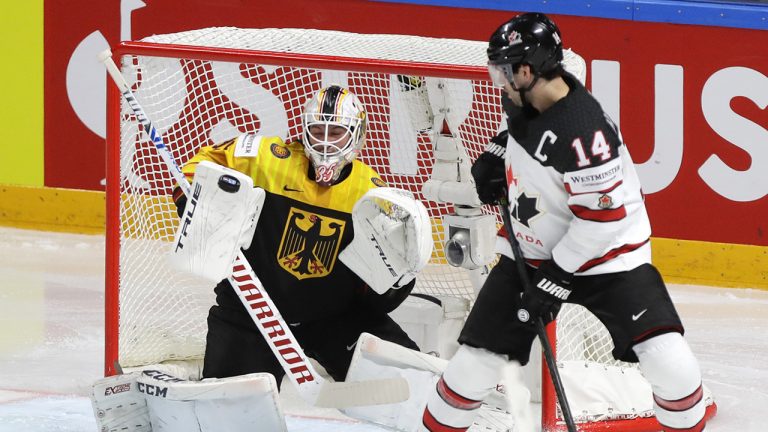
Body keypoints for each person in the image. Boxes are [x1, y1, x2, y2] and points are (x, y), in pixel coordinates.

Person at [420, 13, 709, 432]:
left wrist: (556, 277)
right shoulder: (527, 94)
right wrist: (498, 154)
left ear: (527, 68)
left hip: (610, 258)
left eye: (504, 69)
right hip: (535, 250)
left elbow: (602, 221)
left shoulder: (585, 135)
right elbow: (523, 132)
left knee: (667, 359)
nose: (497, 79)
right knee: (473, 365)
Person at [173, 85, 422, 386]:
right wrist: (197, 202)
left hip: (333, 317)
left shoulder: (372, 194)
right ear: (304, 130)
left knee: (410, 384)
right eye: (318, 130)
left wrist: (396, 282)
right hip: (254, 309)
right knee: (230, 410)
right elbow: (195, 167)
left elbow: (379, 284)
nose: (326, 143)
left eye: (336, 133)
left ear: (357, 135)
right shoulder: (266, 158)